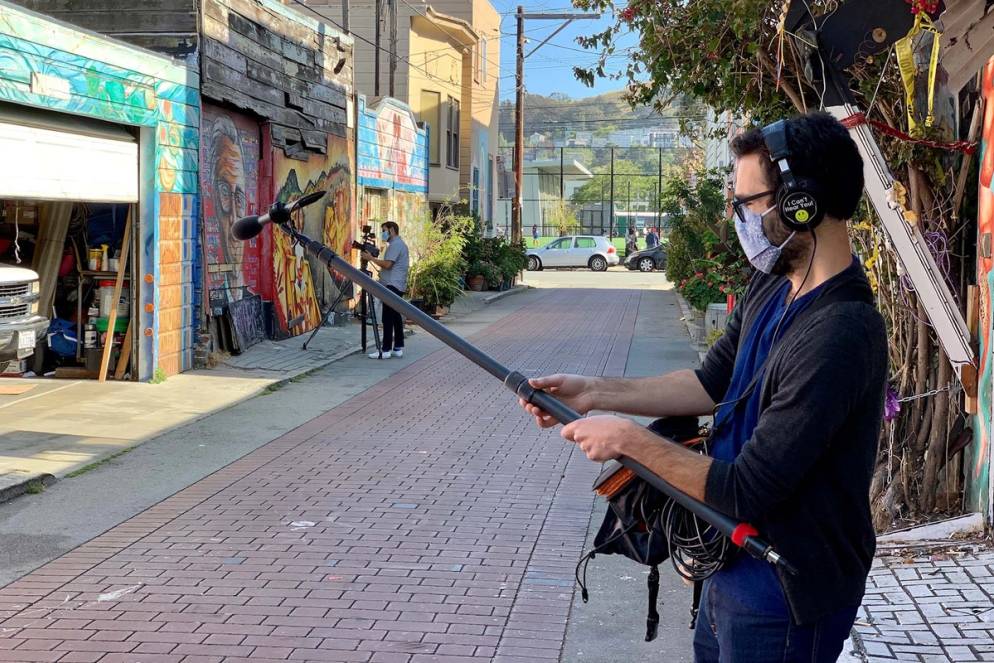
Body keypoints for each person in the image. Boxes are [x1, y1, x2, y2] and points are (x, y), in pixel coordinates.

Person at [520, 111, 887, 662]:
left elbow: (748, 489)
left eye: (748, 202)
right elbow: (709, 382)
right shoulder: (772, 286)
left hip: (784, 592)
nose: (737, 218)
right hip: (729, 568)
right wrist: (594, 391)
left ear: (800, 203)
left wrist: (628, 440)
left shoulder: (840, 332)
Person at [361, 221, 409, 359]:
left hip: (392, 285)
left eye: (384, 230)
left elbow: (388, 264)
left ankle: (386, 349)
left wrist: (370, 258)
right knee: (395, 315)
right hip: (396, 284)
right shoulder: (398, 245)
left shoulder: (396, 245)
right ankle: (398, 346)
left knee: (387, 317)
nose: (383, 233)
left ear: (392, 230)